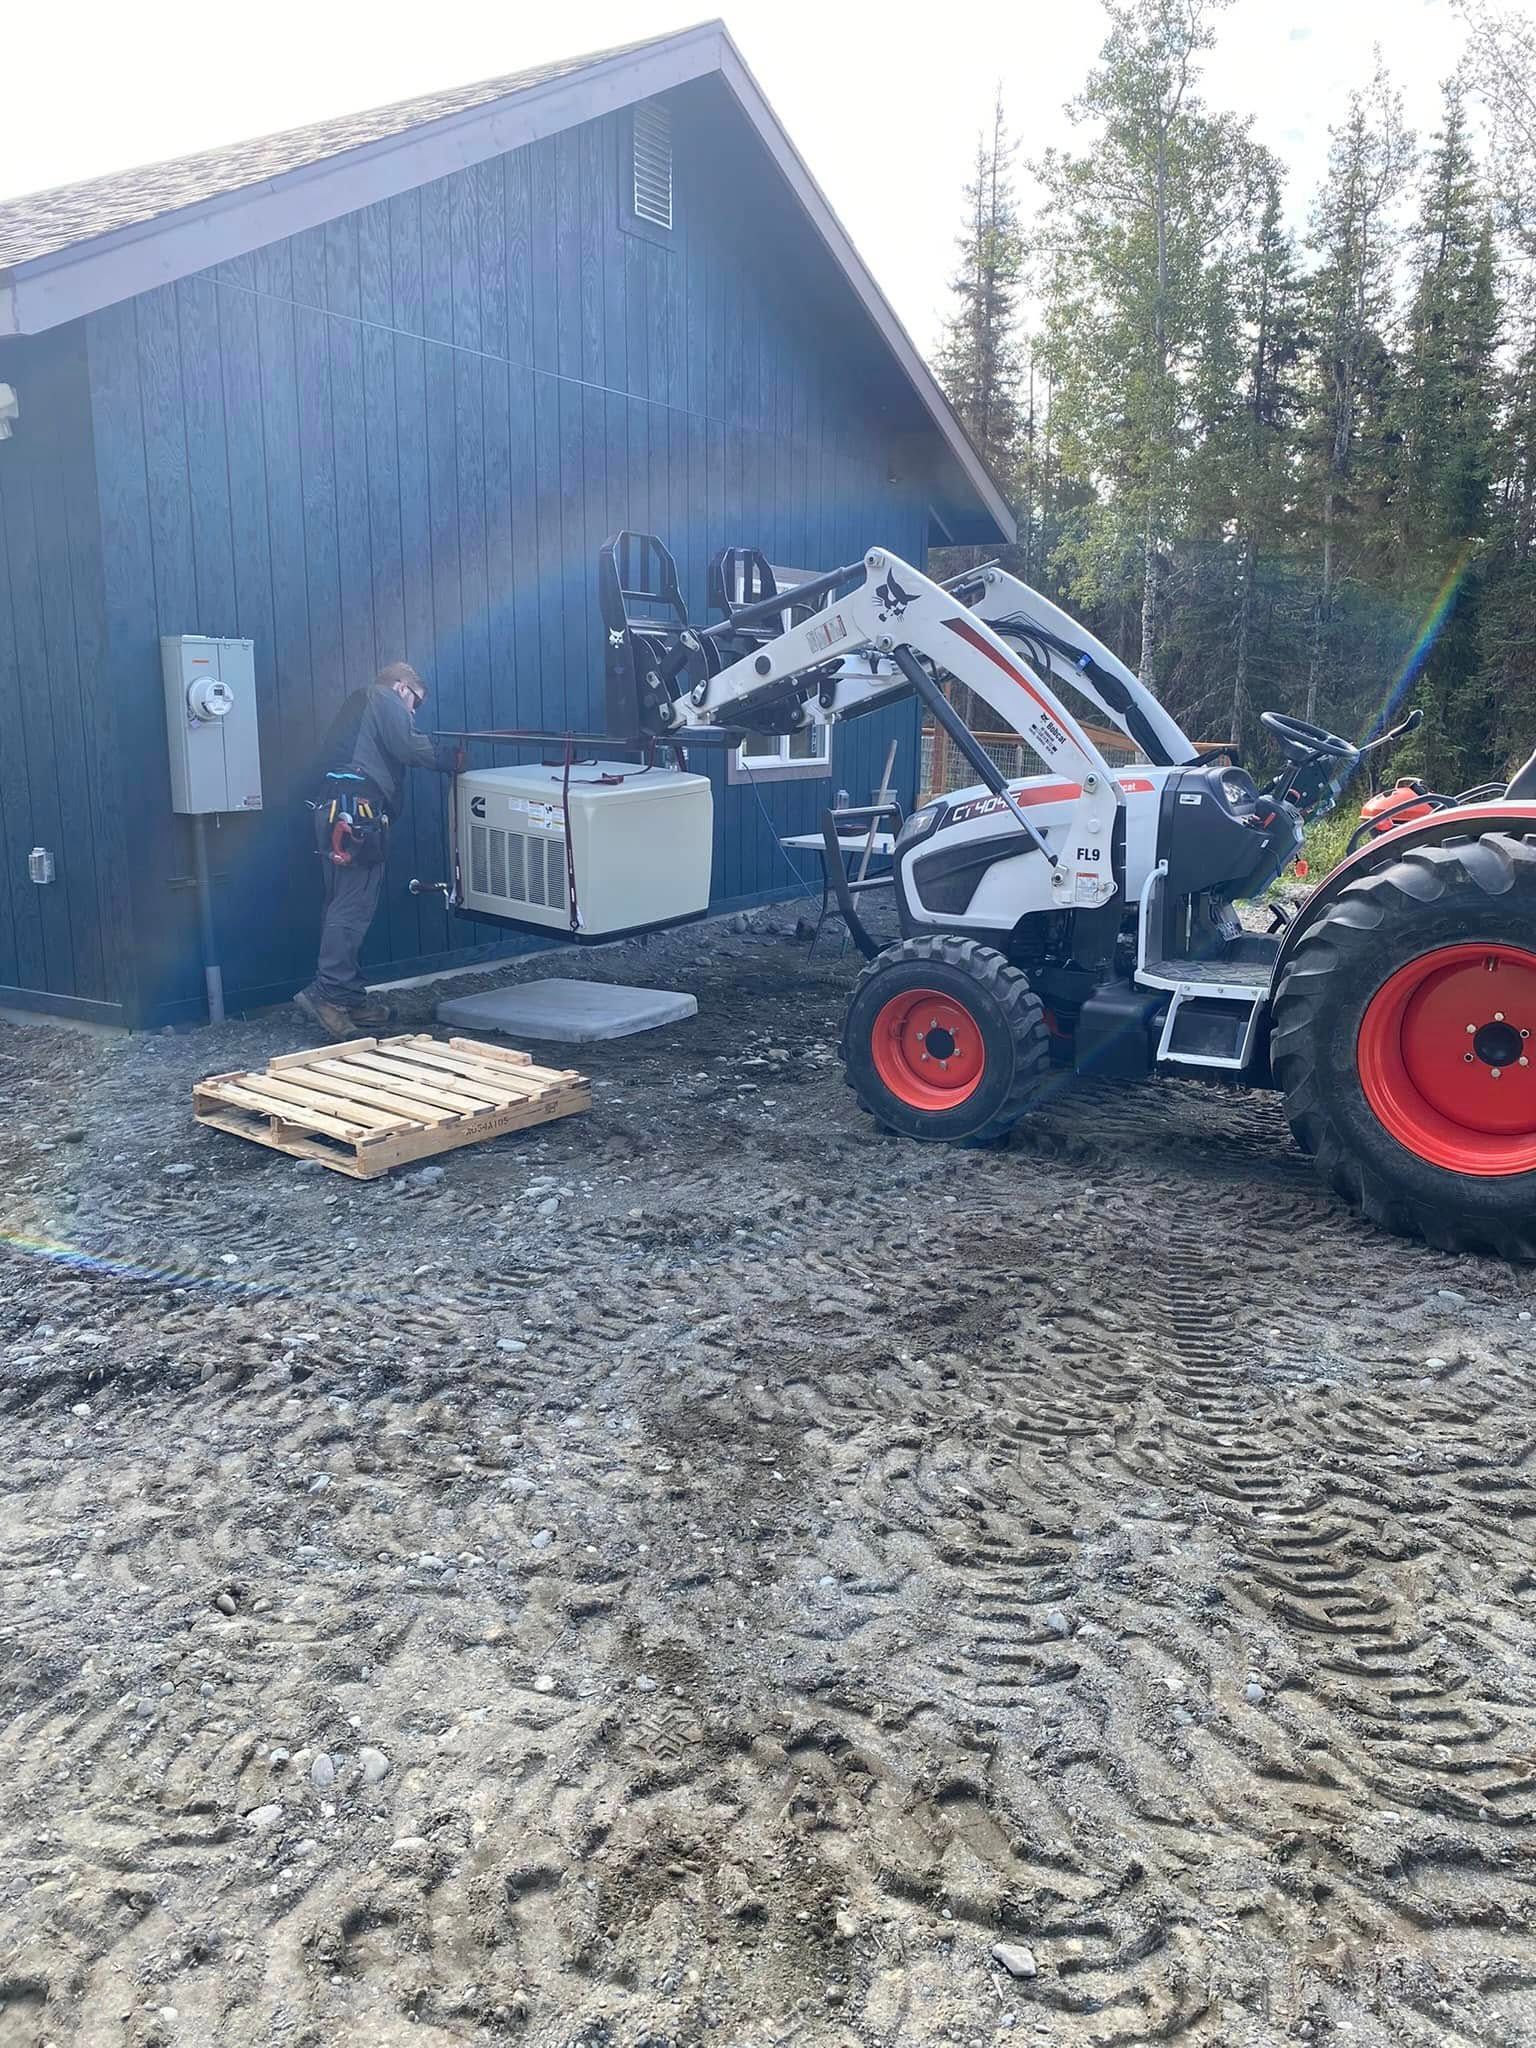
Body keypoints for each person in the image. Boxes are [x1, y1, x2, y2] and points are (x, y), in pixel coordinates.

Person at [294, 661, 457, 1039]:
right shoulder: (383, 698)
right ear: (402, 686)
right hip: (356, 813)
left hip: (336, 809)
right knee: (354, 903)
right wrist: (446, 758)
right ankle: (328, 994)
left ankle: (347, 995)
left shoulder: (359, 707)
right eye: (415, 703)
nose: (413, 712)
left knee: (341, 901)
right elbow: (407, 744)